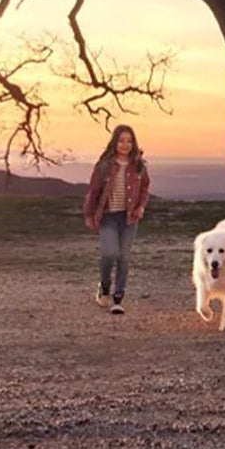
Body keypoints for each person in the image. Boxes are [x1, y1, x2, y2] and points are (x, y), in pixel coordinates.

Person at [82, 124, 152, 314]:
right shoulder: (104, 165)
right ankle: (104, 287)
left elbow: (145, 188)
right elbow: (94, 191)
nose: (125, 144)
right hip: (108, 216)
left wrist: (141, 207)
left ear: (134, 143)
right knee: (109, 254)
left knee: (124, 257)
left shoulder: (139, 165)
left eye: (129, 141)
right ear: (115, 142)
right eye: (121, 140)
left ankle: (118, 298)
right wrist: (89, 214)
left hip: (129, 218)